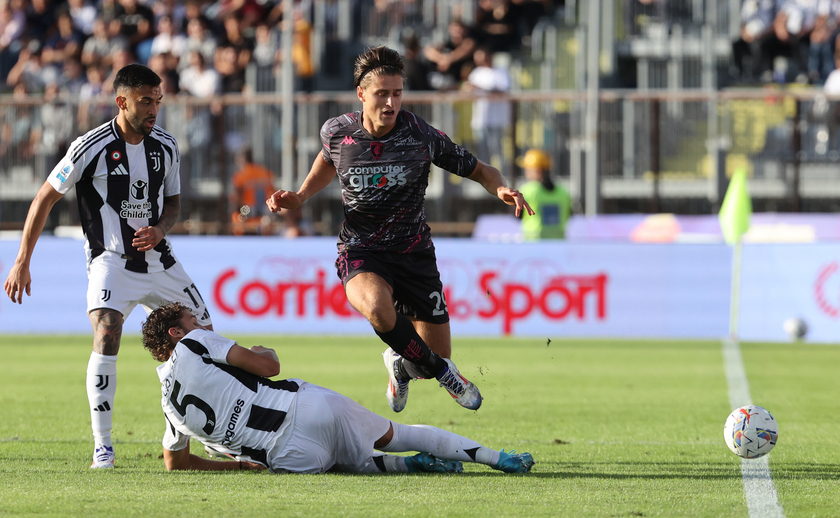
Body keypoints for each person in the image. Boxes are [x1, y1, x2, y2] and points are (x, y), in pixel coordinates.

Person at [266, 46, 533, 415]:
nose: (391, 102)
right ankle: (445, 374)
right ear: (362, 94)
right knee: (378, 309)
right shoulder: (336, 131)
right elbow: (328, 162)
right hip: (362, 250)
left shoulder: (419, 135)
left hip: (414, 253)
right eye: (382, 94)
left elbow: (481, 170)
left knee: (429, 355)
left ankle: (403, 366)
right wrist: (299, 195)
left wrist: (501, 188)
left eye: (397, 93)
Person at [3, 64, 212, 470]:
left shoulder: (167, 146)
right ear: (122, 101)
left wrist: (160, 228)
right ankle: (103, 447)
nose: (154, 109)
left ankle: (182, 444)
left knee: (204, 342)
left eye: (158, 100)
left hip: (161, 263)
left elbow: (173, 204)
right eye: (145, 101)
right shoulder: (89, 147)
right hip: (111, 260)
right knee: (107, 328)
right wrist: (22, 260)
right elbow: (44, 198)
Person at [141, 302, 535, 474]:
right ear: (177, 333)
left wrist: (238, 467)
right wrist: (263, 349)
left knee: (358, 464)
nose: (203, 324)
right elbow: (269, 366)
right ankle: (498, 458)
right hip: (306, 411)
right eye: (194, 319)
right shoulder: (193, 343)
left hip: (292, 461)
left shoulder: (167, 406)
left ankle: (405, 466)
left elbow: (176, 463)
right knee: (399, 434)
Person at [518, 149, 571, 240]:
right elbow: (569, 214)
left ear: (537, 171)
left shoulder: (528, 190)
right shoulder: (563, 192)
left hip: (534, 241)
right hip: (558, 242)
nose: (525, 172)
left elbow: (517, 215)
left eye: (527, 169)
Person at [229, 147, 277, 235]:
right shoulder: (265, 172)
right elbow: (273, 193)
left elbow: (236, 199)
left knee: (236, 216)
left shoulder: (240, 176)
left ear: (242, 159)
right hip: (265, 218)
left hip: (248, 216)